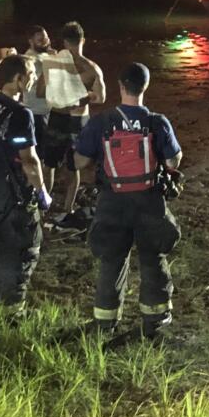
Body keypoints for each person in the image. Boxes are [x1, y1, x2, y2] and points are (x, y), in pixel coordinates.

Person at [74, 62, 183, 340]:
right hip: (148, 200)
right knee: (152, 256)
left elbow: (80, 161)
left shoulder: (101, 121)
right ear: (145, 87)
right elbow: (173, 160)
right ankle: (155, 319)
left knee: (112, 258)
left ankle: (105, 320)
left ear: (120, 86)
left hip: (113, 201)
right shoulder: (157, 122)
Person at [0, 55, 51, 310]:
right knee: (20, 251)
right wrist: (42, 192)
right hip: (13, 194)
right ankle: (12, 312)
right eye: (30, 74)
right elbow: (29, 161)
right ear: (18, 79)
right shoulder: (21, 114)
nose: (34, 77)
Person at [43, 21, 105, 230]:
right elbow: (101, 97)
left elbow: (42, 92)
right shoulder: (92, 67)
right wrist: (81, 99)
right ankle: (67, 208)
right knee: (73, 165)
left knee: (49, 164)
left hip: (57, 117)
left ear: (64, 41)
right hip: (78, 121)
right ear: (83, 40)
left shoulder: (54, 62)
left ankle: (44, 204)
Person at [23, 25, 54, 160]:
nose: (45, 42)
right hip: (37, 112)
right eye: (40, 40)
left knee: (46, 149)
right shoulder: (30, 60)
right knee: (40, 152)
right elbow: (38, 90)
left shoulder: (45, 55)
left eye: (46, 38)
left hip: (46, 110)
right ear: (31, 41)